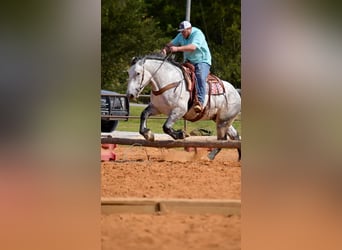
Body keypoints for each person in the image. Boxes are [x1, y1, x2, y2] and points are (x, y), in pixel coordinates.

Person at [161, 20, 212, 112]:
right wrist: (165, 48)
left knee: (199, 76)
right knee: (177, 73)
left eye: (184, 31)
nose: (182, 33)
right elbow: (171, 43)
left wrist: (177, 49)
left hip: (202, 61)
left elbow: (193, 47)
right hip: (189, 61)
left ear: (190, 29)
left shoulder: (198, 34)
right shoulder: (181, 35)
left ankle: (200, 102)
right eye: (181, 31)